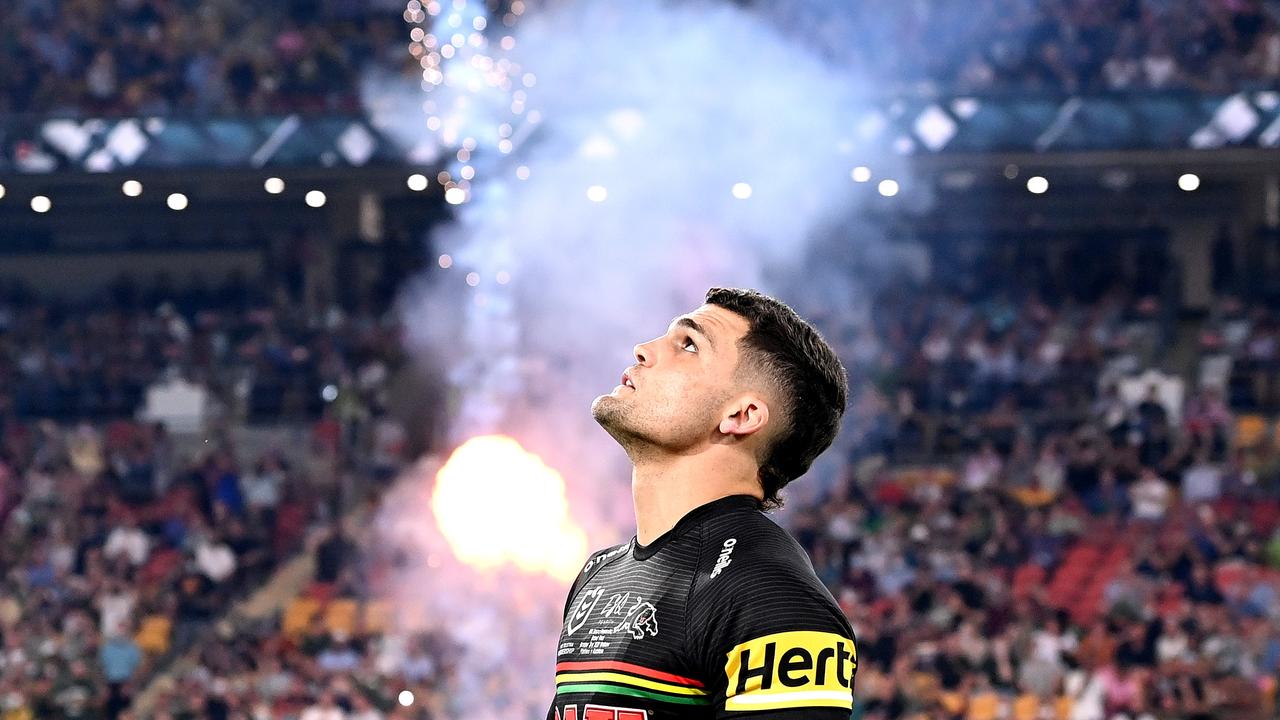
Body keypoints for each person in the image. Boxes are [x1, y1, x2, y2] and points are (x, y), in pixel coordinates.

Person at [547, 288, 857, 719]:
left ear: (741, 416)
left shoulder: (769, 595)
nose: (643, 349)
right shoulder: (600, 573)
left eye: (689, 345)